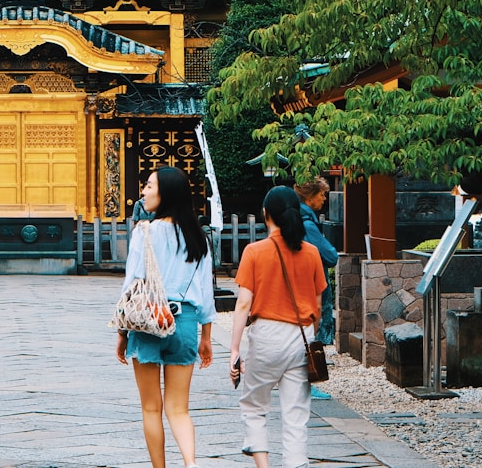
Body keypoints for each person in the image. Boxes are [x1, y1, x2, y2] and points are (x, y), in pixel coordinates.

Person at [116, 166, 215, 468]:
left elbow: (131, 285)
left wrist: (122, 334)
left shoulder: (143, 233)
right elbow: (205, 292)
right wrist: (207, 337)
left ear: (165, 193)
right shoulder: (197, 237)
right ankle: (190, 463)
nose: (143, 192)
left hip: (148, 320)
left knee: (150, 407)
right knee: (179, 408)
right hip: (184, 321)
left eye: (148, 186)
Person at [229, 186, 327, 468]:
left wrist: (235, 349)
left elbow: (244, 304)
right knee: (296, 413)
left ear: (266, 214)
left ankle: (264, 465)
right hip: (302, 336)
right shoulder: (310, 253)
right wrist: (312, 335)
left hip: (267, 334)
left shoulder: (254, 252)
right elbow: (317, 305)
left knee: (254, 404)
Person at [294, 177, 337, 347]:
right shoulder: (308, 225)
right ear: (310, 197)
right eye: (322, 194)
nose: (324, 198)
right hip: (313, 281)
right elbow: (330, 256)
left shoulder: (298, 219)